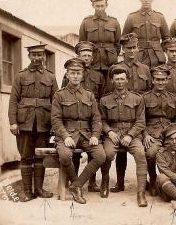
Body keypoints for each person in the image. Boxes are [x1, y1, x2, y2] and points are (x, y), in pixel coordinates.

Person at [51, 58, 106, 204]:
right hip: (67, 133)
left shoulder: (89, 95)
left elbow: (96, 118)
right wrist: (65, 136)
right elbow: (56, 120)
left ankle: (76, 185)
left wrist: (95, 135)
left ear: (82, 75)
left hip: (86, 134)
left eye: (78, 73)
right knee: (64, 156)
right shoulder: (59, 95)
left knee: (100, 156)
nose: (75, 76)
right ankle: (76, 184)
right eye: (72, 73)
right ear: (67, 74)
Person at [8, 44, 58, 202]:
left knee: (40, 157)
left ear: (44, 56)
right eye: (34, 55)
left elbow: (56, 102)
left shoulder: (50, 77)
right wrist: (13, 122)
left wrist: (55, 125)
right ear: (29, 56)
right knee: (25, 157)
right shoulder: (20, 76)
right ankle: (27, 191)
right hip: (25, 123)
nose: (37, 58)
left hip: (44, 123)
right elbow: (13, 101)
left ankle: (39, 189)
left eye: (40, 55)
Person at [106, 33, 152, 193]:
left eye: (134, 48)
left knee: (141, 150)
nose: (131, 51)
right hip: (119, 111)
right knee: (120, 154)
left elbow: (149, 91)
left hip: (139, 111)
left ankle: (144, 181)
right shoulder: (116, 68)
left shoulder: (145, 69)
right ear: (123, 50)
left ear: (138, 48)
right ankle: (120, 182)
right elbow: (109, 90)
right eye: (128, 48)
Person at [99, 65, 148, 206]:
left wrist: (130, 135)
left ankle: (141, 193)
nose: (120, 81)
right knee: (107, 154)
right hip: (113, 133)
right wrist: (109, 131)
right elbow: (101, 120)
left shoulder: (137, 98)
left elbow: (140, 121)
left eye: (122, 79)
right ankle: (105, 182)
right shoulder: (104, 100)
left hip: (131, 133)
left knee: (140, 154)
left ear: (127, 80)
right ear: (112, 81)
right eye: (117, 79)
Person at [62, 41, 105, 192]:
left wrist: (96, 130)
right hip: (72, 117)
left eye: (89, 55)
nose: (86, 58)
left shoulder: (98, 75)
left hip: (91, 117)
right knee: (72, 154)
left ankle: (91, 182)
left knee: (96, 152)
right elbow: (63, 96)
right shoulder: (70, 75)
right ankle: (73, 180)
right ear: (78, 56)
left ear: (92, 58)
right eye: (83, 55)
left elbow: (102, 96)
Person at [142, 66, 176, 195]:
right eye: (157, 79)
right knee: (151, 154)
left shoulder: (173, 98)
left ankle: (173, 180)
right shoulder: (145, 98)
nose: (160, 82)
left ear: (167, 80)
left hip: (170, 132)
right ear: (152, 80)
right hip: (153, 134)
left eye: (163, 79)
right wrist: (145, 134)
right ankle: (152, 179)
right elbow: (141, 120)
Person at [122, 0, 169, 68]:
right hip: (138, 57)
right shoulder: (132, 17)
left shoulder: (160, 17)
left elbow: (167, 39)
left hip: (157, 58)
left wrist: (158, 49)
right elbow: (124, 39)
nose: (146, 0)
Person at [79, 0, 121, 79]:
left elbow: (118, 44)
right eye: (97, 6)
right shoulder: (86, 22)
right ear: (93, 5)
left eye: (102, 6)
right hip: (92, 62)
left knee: (110, 87)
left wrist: (112, 56)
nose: (100, 9)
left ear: (106, 5)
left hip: (110, 62)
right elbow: (82, 44)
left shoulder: (114, 22)